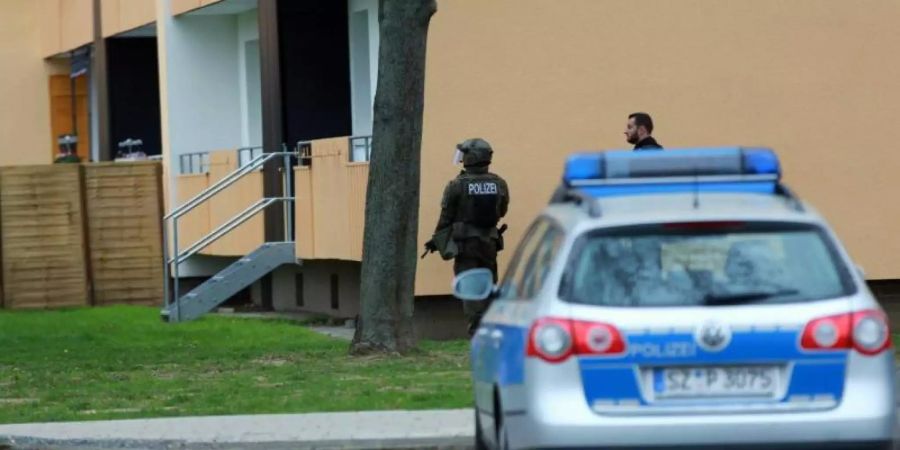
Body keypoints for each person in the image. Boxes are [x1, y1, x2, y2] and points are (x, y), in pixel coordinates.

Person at [424, 138, 509, 336]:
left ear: (471, 157)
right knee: (489, 284)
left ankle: (476, 330)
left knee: (470, 286)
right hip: (490, 243)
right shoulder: (500, 183)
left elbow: (445, 219)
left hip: (465, 245)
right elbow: (502, 211)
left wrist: (437, 240)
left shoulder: (456, 185)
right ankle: (491, 325)